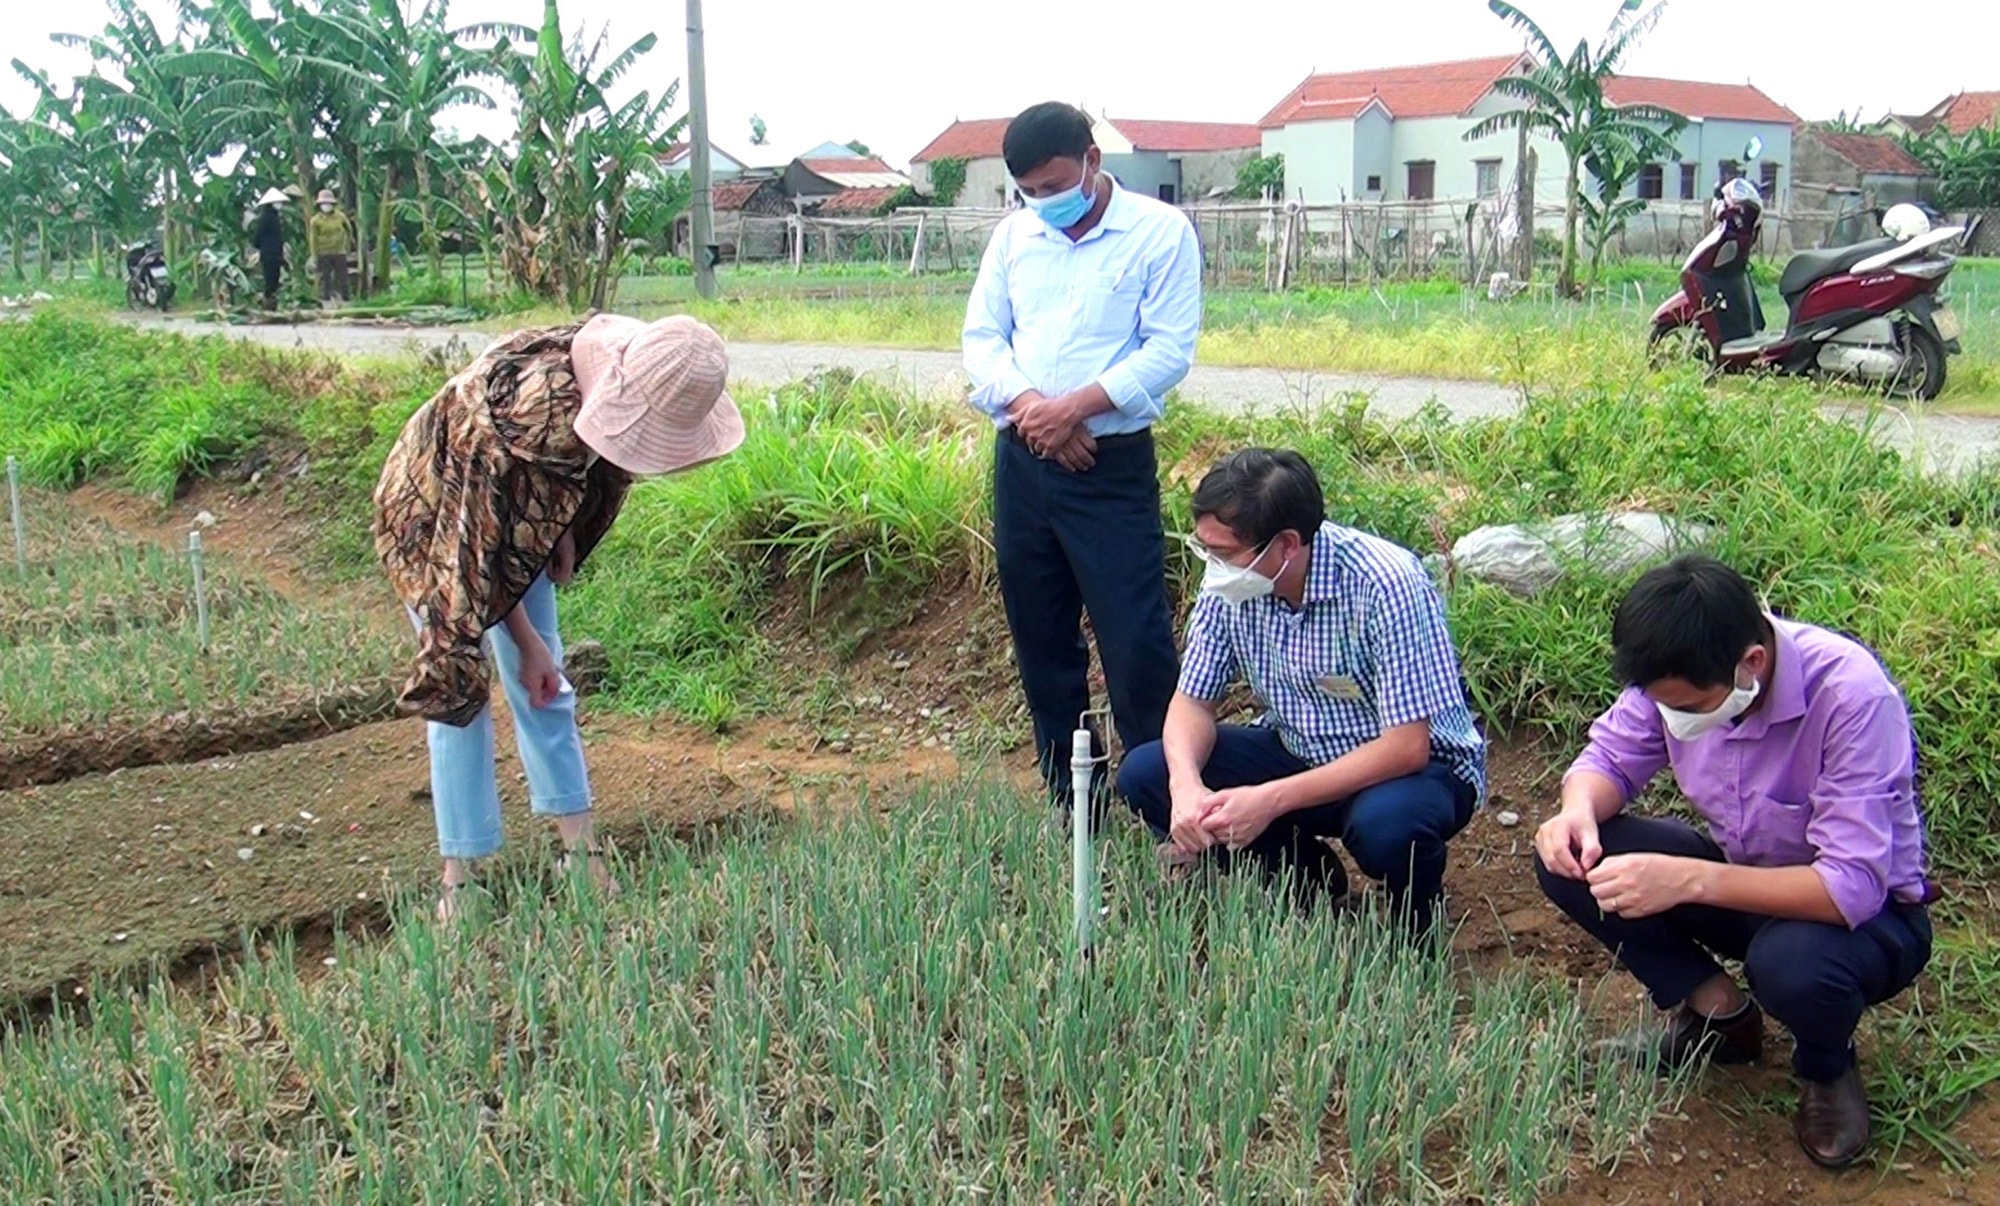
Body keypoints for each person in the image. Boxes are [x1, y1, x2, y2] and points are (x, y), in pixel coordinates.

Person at [1534, 555, 1933, 1169]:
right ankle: (1720, 1019)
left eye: (1688, 707)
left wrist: (1687, 879)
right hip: (1746, 886)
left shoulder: (1852, 698)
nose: (1672, 718)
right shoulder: (1679, 671)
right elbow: (1608, 760)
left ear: (1751, 664)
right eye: (1661, 704)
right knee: (1572, 860)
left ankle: (1828, 1070)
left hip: (1867, 921)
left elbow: (1849, 887)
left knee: (1791, 965)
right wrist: (1576, 812)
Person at [373, 314, 745, 921]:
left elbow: (586, 468)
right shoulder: (515, 430)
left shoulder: (630, 365)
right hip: (438, 513)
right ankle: (459, 882)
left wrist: (560, 527)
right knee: (459, 687)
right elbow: (478, 569)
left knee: (548, 689)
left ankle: (580, 851)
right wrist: (525, 644)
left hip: (507, 513)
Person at [1117, 449, 1486, 936]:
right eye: (1205, 549)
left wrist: (1268, 800)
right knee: (1146, 774)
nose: (1213, 566)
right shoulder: (1231, 587)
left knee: (1388, 828)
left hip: (1410, 771)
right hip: (1298, 748)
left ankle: (1413, 929)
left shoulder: (1385, 584)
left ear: (1287, 544)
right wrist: (1186, 785)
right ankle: (1307, 883)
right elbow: (1191, 703)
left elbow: (1406, 747)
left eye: (1224, 554)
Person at [961, 101, 1202, 822]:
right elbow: (983, 340)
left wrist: (1075, 408)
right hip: (1025, 462)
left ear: (1093, 161)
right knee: (1042, 640)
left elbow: (1167, 351)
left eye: (1055, 183)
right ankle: (1075, 804)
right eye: (1029, 191)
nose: (1044, 201)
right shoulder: (1014, 239)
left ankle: (1166, 807)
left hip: (1110, 466)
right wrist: (1037, 408)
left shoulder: (1160, 234)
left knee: (1136, 644)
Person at [308, 189, 354, 303]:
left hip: (339, 251)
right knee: (325, 277)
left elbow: (349, 230)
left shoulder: (340, 217)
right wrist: (314, 255)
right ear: (320, 205)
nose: (326, 206)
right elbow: (312, 239)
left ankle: (346, 298)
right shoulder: (316, 220)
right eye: (324, 204)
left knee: (343, 276)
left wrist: (347, 245)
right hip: (323, 252)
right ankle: (325, 298)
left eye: (328, 204)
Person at [250, 188, 288, 309]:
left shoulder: (275, 216)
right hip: (269, 252)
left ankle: (271, 303)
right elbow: (258, 235)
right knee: (271, 278)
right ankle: (268, 303)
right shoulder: (266, 217)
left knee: (273, 278)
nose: (280, 204)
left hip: (274, 252)